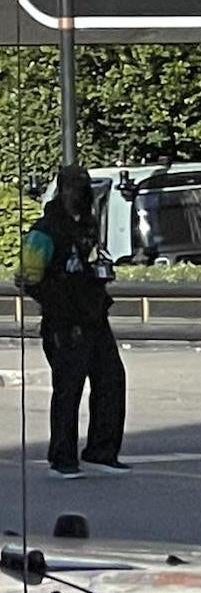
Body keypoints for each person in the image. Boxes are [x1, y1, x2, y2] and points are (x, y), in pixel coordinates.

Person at [16, 166, 128, 480]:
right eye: (73, 188)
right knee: (69, 388)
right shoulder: (45, 231)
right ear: (62, 190)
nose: (78, 195)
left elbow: (93, 262)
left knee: (111, 380)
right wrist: (60, 302)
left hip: (94, 315)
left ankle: (102, 450)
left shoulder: (87, 227)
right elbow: (28, 278)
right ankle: (62, 457)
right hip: (65, 321)